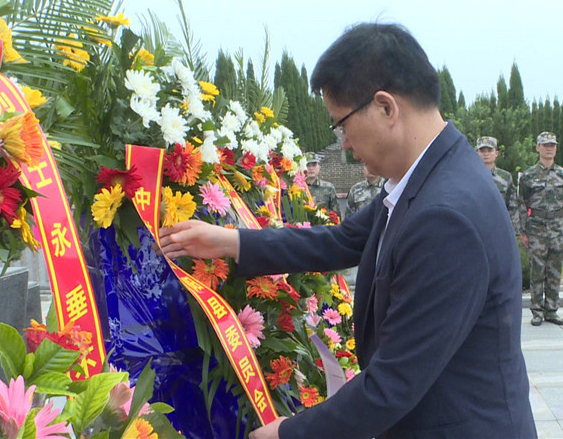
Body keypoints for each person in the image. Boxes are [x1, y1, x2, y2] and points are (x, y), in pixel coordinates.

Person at [159, 22, 536, 439]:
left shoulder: (446, 215)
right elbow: (342, 240)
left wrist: (289, 433)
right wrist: (230, 241)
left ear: (386, 107)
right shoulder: (425, 177)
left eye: (341, 125)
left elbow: (393, 384)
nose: (344, 144)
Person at [518, 132, 563, 326]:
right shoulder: (528, 175)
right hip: (536, 228)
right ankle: (537, 311)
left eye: (552, 145)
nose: (549, 148)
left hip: (557, 228)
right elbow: (522, 204)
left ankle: (552, 310)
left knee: (555, 271)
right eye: (545, 145)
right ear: (538, 147)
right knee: (537, 271)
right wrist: (523, 232)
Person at [476, 136, 520, 233]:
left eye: (489, 150)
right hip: (476, 228)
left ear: (496, 153)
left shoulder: (505, 177)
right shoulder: (470, 176)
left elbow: (512, 205)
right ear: (477, 153)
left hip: (499, 228)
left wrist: (513, 231)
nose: (486, 154)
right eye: (482, 151)